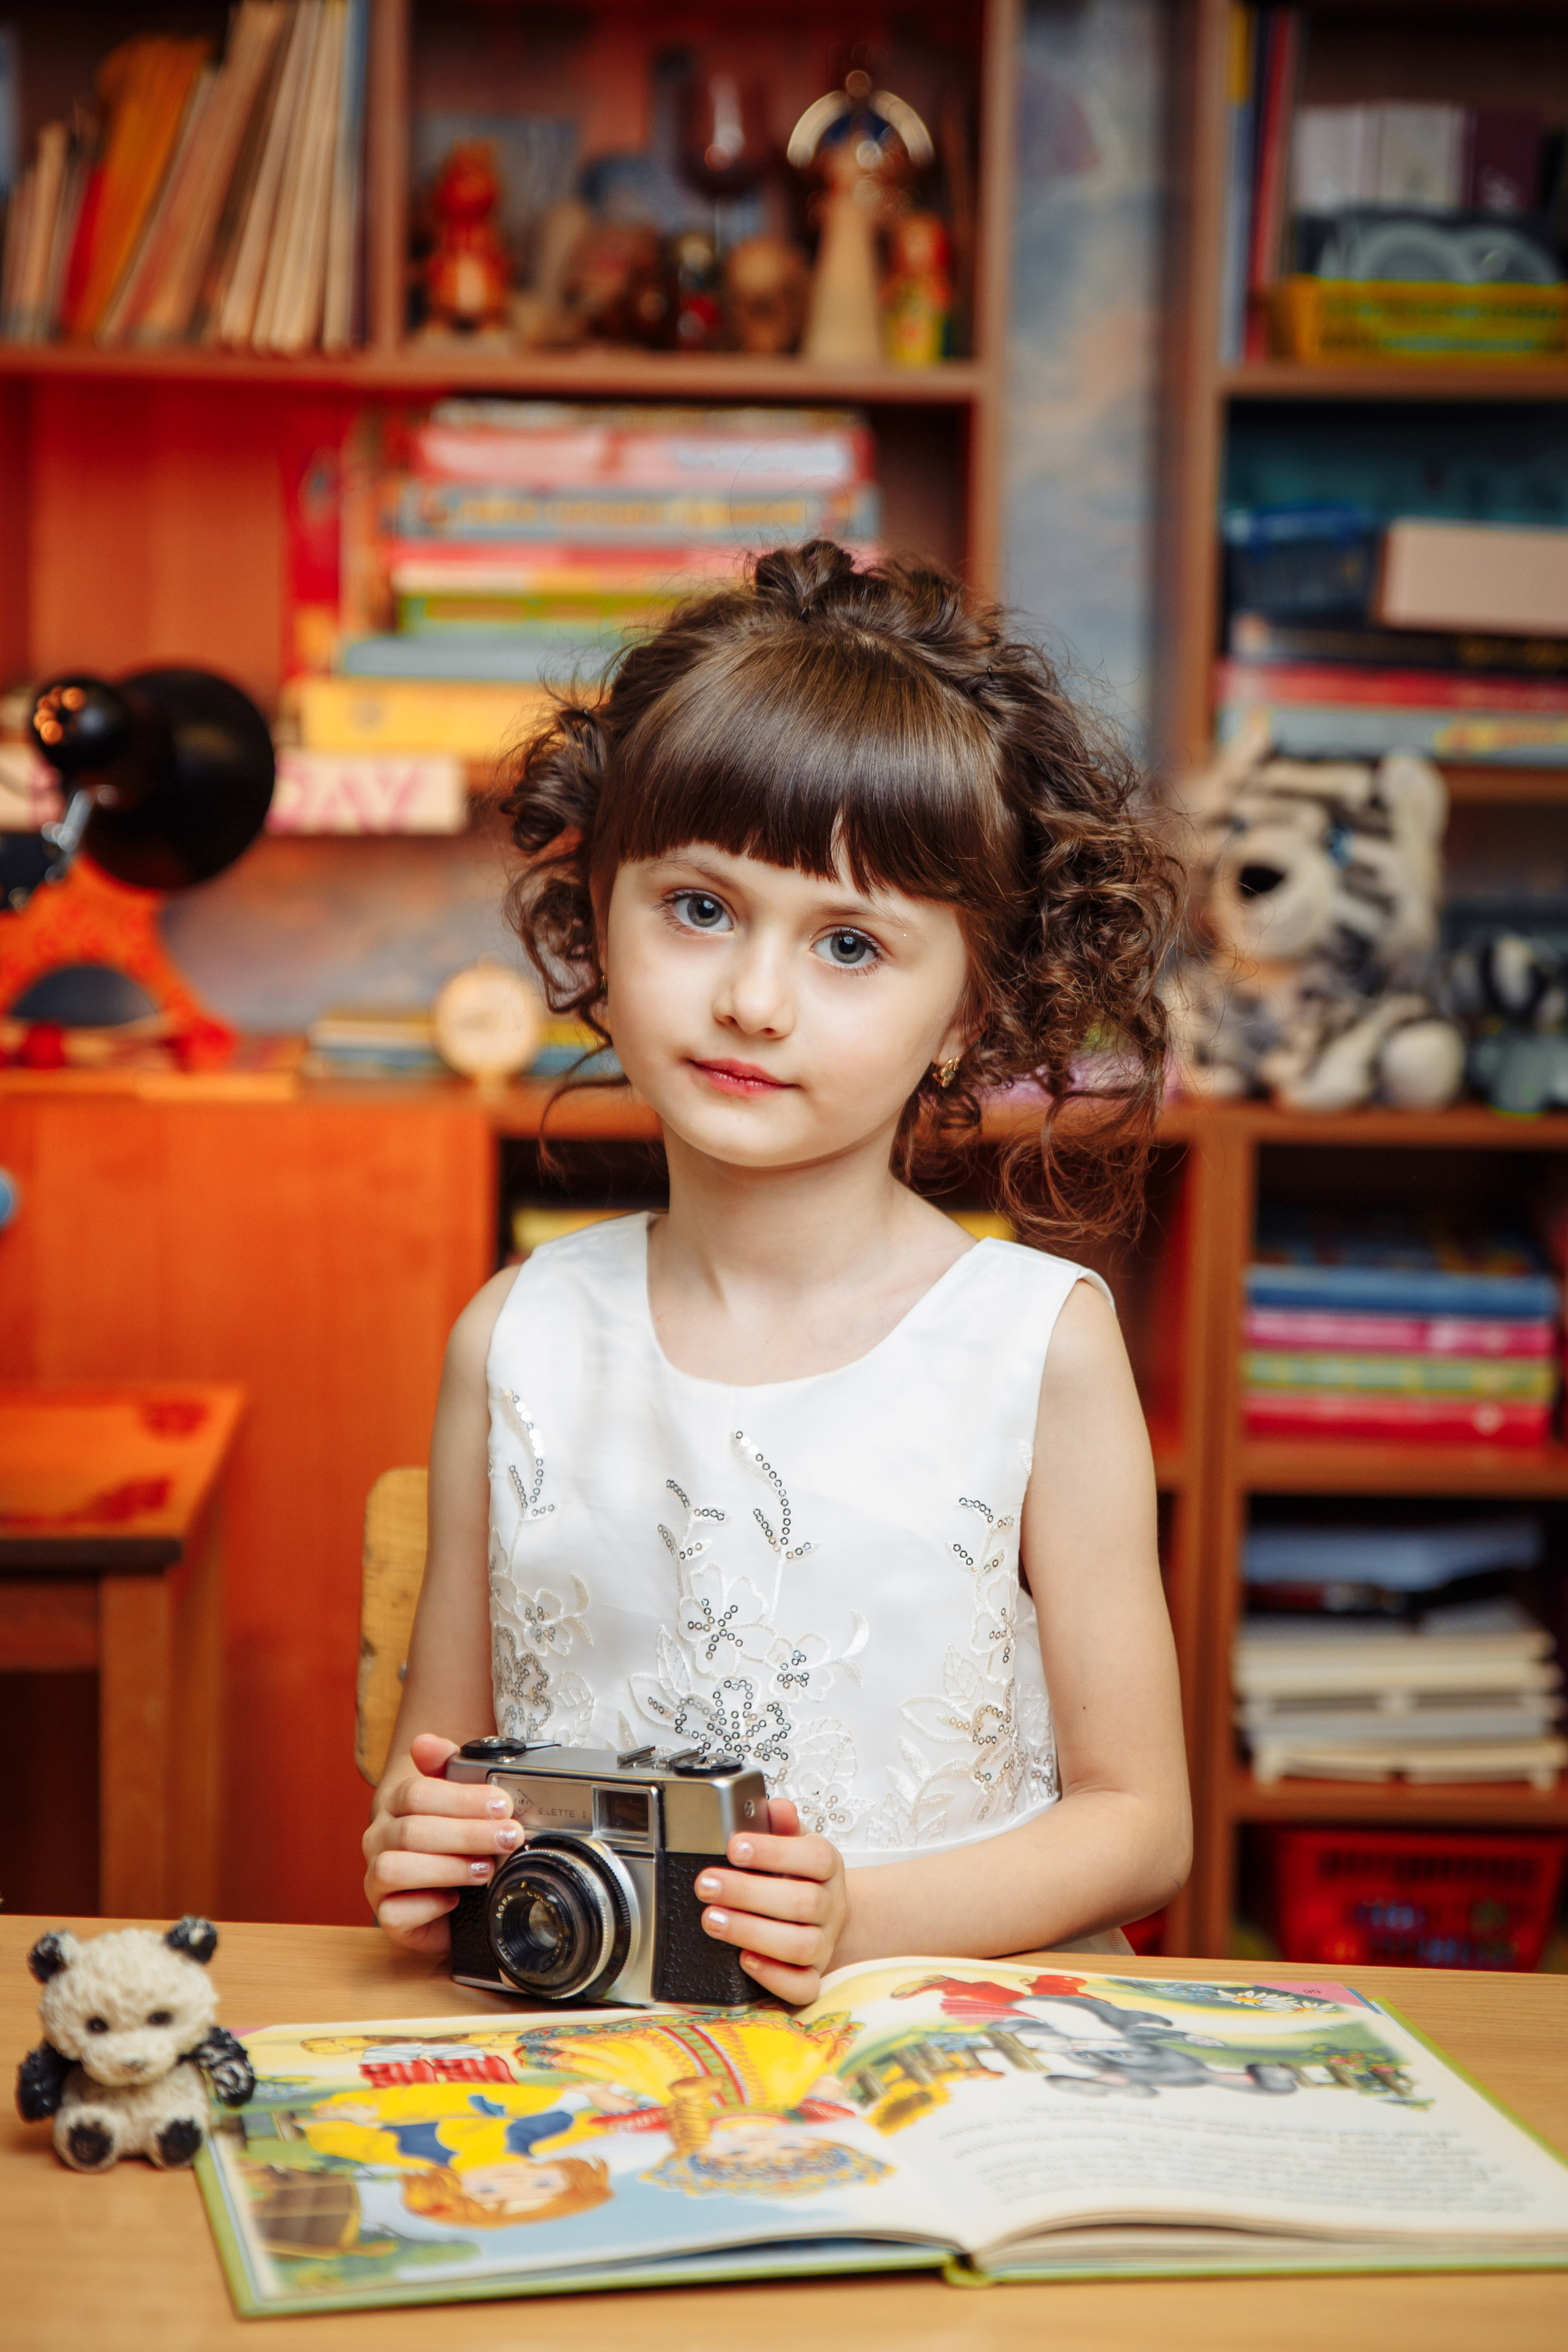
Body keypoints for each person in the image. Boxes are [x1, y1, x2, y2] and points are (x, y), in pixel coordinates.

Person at [363, 539, 1191, 2003]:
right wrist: (421, 1853)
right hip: (601, 2064)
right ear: (596, 911)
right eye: (699, 909)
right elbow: (441, 1785)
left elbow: (1138, 1828)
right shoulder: (516, 1337)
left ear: (969, 1008)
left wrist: (854, 1918)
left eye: (850, 945)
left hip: (933, 2037)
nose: (752, 1000)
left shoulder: (1035, 1343)